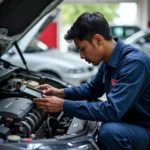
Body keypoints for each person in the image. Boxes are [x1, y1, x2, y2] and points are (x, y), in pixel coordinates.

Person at [33, 12, 150, 150]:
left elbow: (112, 111)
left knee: (109, 133)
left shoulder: (134, 63)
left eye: (83, 49)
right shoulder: (108, 61)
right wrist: (60, 92)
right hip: (129, 122)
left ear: (98, 40)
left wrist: (63, 106)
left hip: (144, 127)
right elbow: (92, 89)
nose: (82, 56)